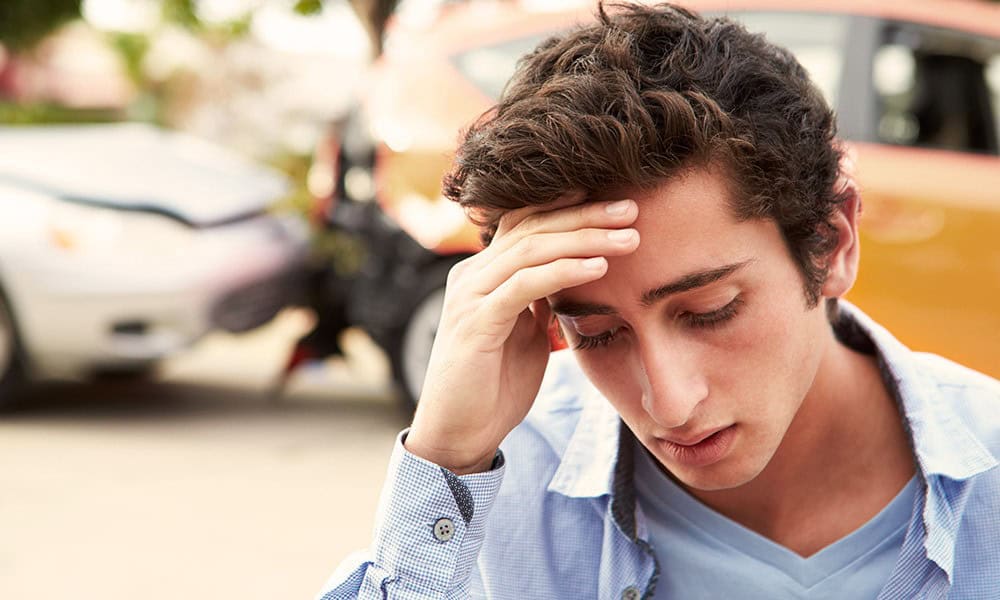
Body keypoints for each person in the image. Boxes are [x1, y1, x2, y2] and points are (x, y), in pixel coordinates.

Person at [318, 3, 1000, 598]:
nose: (669, 404)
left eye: (710, 311)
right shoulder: (498, 486)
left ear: (831, 241)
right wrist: (444, 462)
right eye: (598, 333)